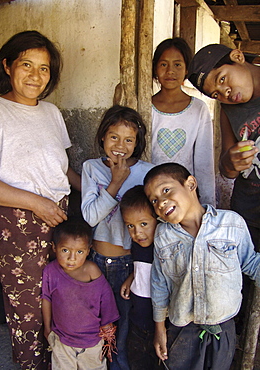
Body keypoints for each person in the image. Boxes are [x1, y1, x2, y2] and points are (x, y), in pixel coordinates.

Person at [0, 30, 80, 369]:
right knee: (29, 315)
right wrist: (36, 203)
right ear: (7, 66)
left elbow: (60, 170)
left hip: (59, 223)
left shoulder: (51, 112)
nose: (35, 76)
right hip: (17, 226)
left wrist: (99, 190)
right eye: (26, 64)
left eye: (44, 68)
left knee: (61, 304)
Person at [143, 162, 260, 370]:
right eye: (154, 200)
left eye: (166, 190)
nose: (161, 202)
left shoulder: (231, 224)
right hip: (182, 331)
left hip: (223, 330)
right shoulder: (164, 236)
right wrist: (159, 329)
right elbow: (160, 283)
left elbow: (251, 263)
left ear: (190, 184)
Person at [81, 105, 154, 370]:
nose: (120, 145)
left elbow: (152, 226)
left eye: (128, 139)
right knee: (98, 327)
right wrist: (115, 181)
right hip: (97, 263)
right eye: (114, 137)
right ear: (102, 137)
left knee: (122, 331)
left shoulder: (148, 172)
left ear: (137, 142)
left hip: (128, 265)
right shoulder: (91, 168)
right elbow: (90, 216)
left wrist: (138, 270)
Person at [187, 43, 260, 250]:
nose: (225, 93)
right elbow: (226, 170)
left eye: (222, 79)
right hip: (249, 214)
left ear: (237, 57)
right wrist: (231, 162)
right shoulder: (228, 110)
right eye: (216, 95)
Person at [42, 218, 119, 370]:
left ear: (88, 251)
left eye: (79, 252)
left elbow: (106, 297)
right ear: (54, 248)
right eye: (65, 250)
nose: (72, 258)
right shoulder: (51, 271)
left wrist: (107, 323)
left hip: (92, 340)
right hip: (62, 338)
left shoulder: (92, 271)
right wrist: (47, 327)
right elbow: (46, 299)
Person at [152, 37, 215, 206]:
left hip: (184, 195)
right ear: (155, 68)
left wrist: (207, 205)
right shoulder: (145, 107)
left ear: (187, 69)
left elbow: (204, 162)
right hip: (150, 192)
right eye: (163, 64)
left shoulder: (198, 109)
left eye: (177, 64)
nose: (170, 71)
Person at [119, 185, 163, 370]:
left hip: (160, 325)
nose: (137, 233)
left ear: (158, 219)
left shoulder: (162, 247)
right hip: (138, 320)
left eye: (144, 224)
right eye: (130, 226)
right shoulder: (138, 246)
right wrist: (132, 278)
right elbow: (143, 270)